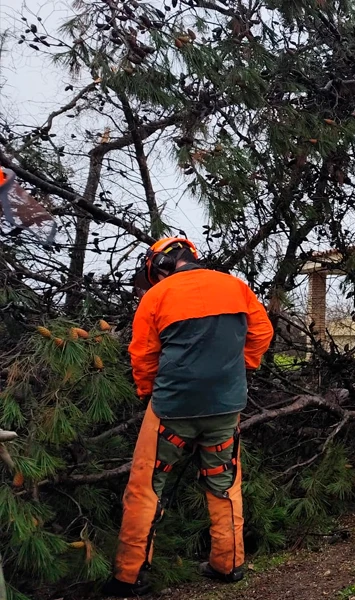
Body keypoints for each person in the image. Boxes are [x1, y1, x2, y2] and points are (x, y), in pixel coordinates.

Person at [103, 237, 274, 597]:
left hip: (171, 409)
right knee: (224, 485)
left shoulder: (156, 296)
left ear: (158, 266)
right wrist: (237, 370)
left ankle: (129, 576)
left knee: (146, 487)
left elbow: (144, 355)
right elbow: (262, 333)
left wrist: (149, 393)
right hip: (226, 407)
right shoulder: (235, 286)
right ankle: (228, 565)